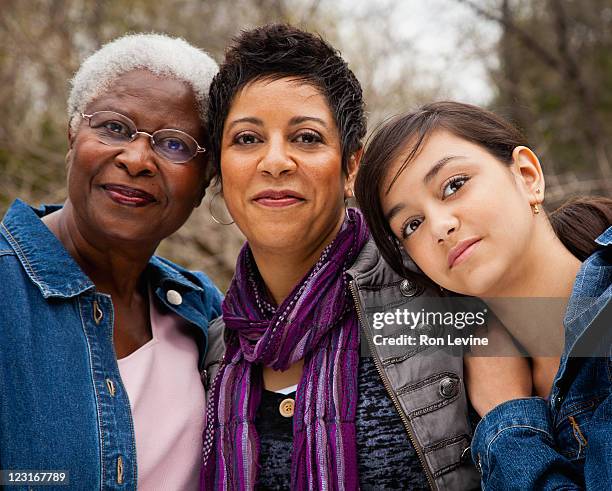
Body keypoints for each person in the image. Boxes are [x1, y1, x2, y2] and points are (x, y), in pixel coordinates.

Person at [200, 25, 480, 490]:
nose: (275, 161)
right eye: (247, 139)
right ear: (220, 169)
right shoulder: (214, 350)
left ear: (351, 166)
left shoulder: (439, 293)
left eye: (306, 138)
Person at [0, 34, 222, 490]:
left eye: (175, 145)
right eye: (114, 128)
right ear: (72, 135)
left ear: (205, 182)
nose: (137, 159)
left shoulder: (206, 312)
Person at [355, 100, 612, 489]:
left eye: (454, 185)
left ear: (527, 176)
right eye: (411, 224)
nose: (439, 227)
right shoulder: (460, 386)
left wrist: (507, 417)